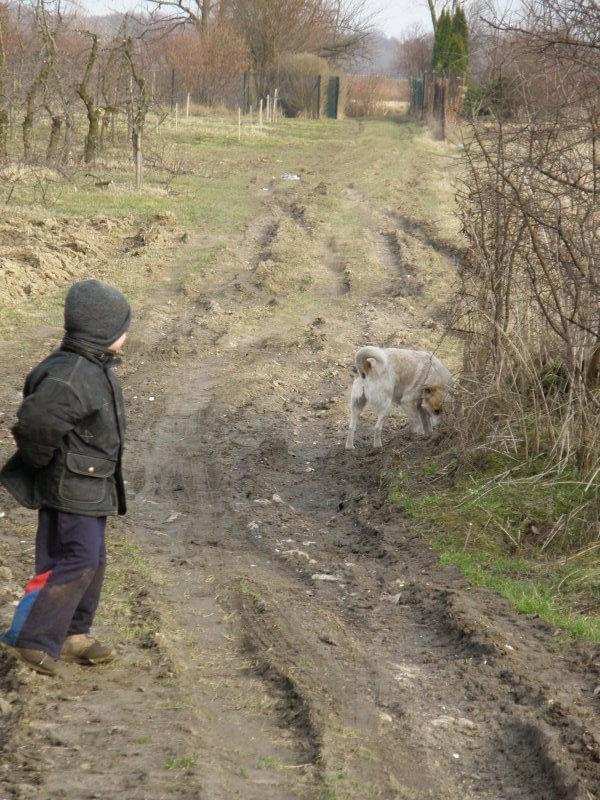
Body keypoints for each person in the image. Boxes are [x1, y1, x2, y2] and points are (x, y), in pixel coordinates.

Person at [0, 279, 130, 676]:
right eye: (123, 327)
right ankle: (31, 637)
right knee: (73, 559)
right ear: (103, 331)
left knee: (93, 560)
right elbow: (35, 424)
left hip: (89, 487)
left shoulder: (92, 366)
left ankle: (74, 633)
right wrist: (42, 464)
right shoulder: (71, 375)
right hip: (70, 487)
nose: (126, 336)